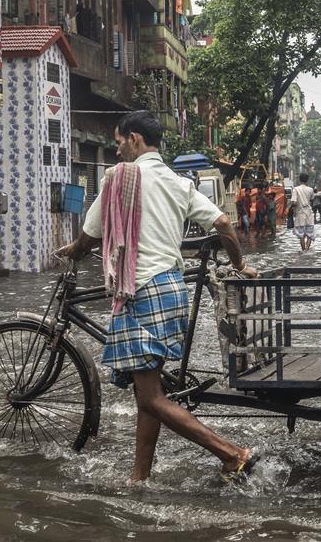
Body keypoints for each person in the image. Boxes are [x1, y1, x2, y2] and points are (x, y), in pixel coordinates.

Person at [55, 110, 259, 483]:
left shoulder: (118, 179)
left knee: (150, 396)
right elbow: (223, 224)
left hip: (141, 292)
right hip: (172, 290)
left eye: (119, 142)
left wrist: (74, 249)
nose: (117, 151)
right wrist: (240, 264)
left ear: (134, 139)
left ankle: (232, 454)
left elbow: (91, 235)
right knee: (147, 391)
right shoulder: (178, 182)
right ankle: (139, 477)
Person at [291, 173, 316, 251]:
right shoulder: (310, 189)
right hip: (309, 213)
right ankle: (307, 250)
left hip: (300, 214)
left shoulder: (296, 189)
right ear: (307, 180)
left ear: (299, 179)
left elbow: (294, 202)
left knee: (301, 235)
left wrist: (292, 210)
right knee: (310, 234)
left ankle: (303, 250)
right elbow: (312, 199)